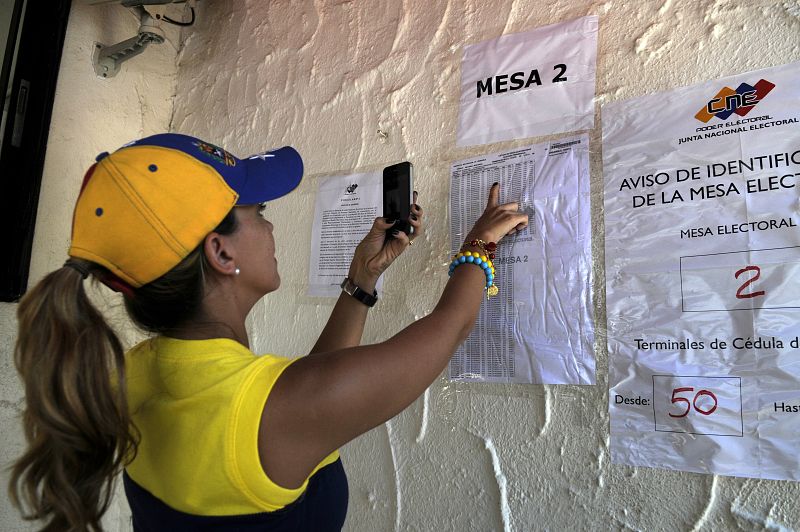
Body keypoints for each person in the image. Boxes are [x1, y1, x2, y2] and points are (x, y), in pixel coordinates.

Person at [9, 133, 529, 531]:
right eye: (258, 212)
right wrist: (479, 243)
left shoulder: (135, 373)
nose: (270, 226)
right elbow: (448, 327)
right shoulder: (274, 408)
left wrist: (361, 280)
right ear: (221, 251)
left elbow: (311, 389)